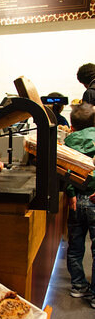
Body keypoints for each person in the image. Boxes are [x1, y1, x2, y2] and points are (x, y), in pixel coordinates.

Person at [65, 103, 95, 307]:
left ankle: (78, 286)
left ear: (73, 125)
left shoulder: (68, 140)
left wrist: (70, 194)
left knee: (75, 247)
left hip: (76, 199)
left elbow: (65, 169)